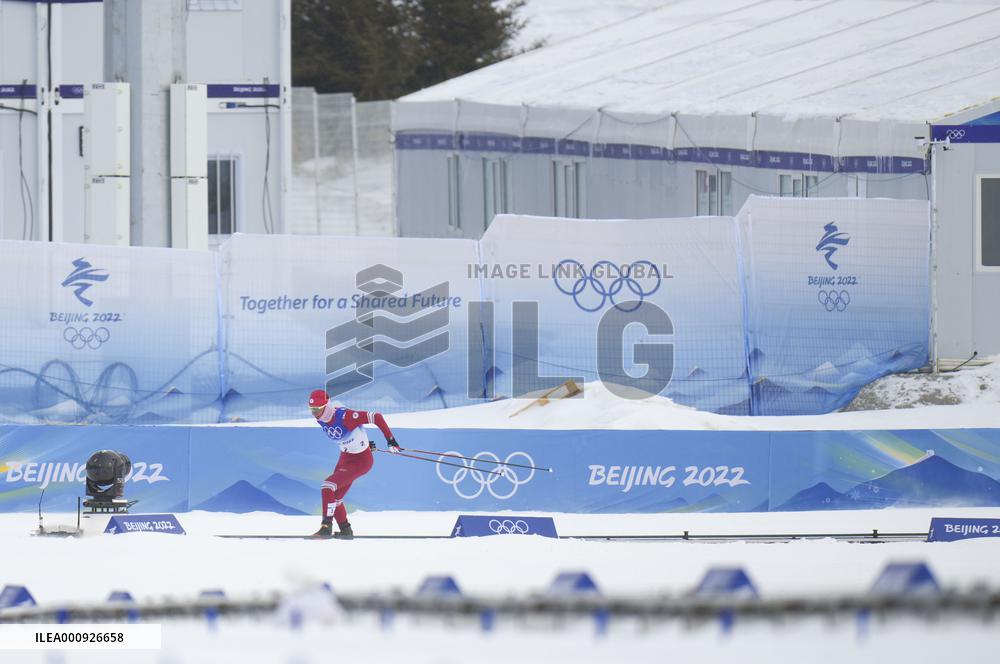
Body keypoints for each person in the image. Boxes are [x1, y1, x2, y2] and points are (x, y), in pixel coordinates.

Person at [307, 389, 400, 539]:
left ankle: (326, 526)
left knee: (327, 486)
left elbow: (376, 417)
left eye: (317, 409)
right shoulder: (320, 417)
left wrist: (390, 440)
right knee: (334, 498)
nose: (314, 413)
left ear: (326, 405)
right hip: (345, 457)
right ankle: (345, 530)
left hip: (361, 461)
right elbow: (350, 435)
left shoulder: (345, 416)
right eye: (311, 409)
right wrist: (363, 442)